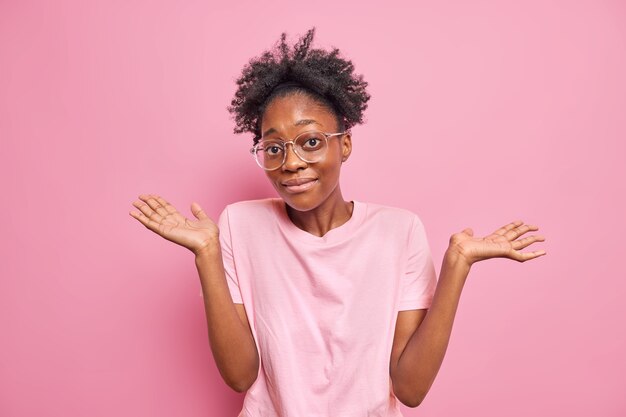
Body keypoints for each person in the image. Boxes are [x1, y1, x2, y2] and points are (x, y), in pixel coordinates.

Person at [129, 27, 547, 417]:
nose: (291, 163)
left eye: (310, 142)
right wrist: (206, 253)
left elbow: (411, 389)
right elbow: (240, 376)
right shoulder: (239, 225)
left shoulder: (399, 232)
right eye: (273, 147)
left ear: (344, 144)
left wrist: (457, 265)